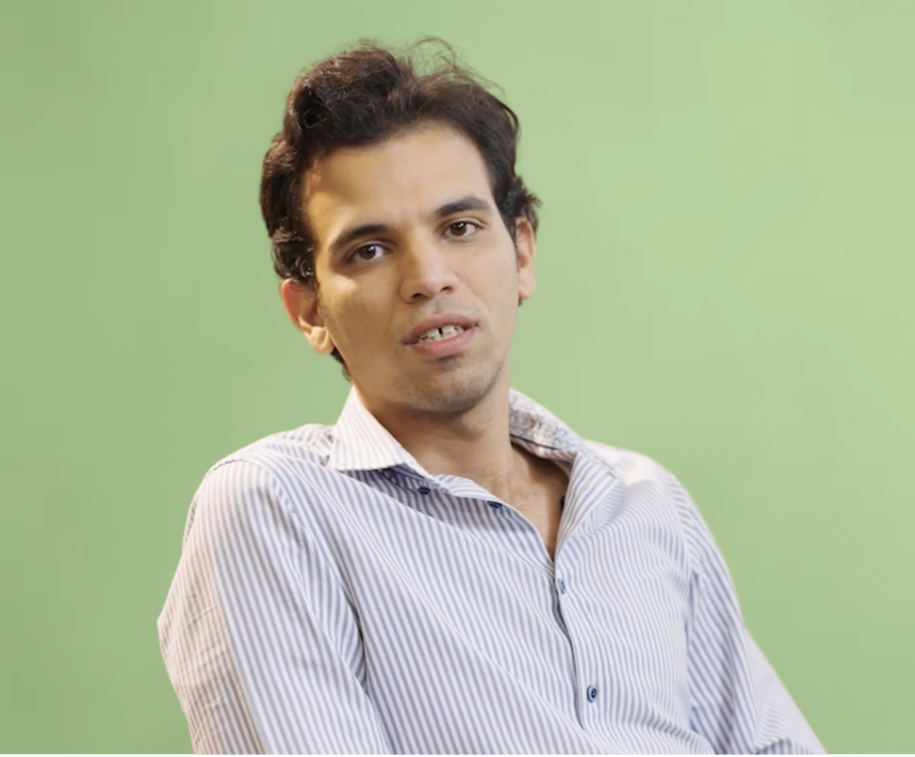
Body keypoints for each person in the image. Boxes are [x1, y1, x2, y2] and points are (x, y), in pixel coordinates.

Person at [157, 38, 823, 755]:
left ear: (522, 252)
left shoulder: (645, 503)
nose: (428, 277)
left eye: (460, 228)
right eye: (369, 250)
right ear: (310, 311)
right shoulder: (277, 511)